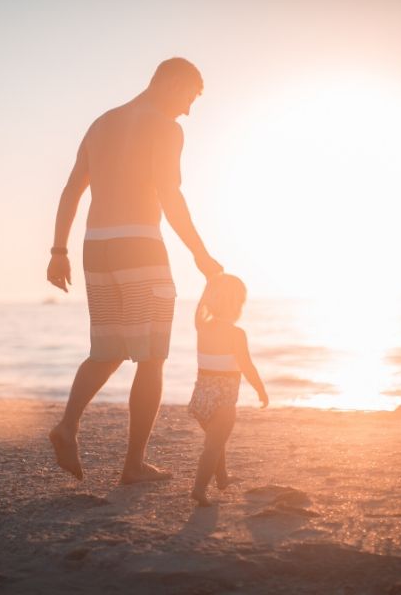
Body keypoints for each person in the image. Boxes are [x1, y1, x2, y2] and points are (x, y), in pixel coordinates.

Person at [46, 58, 222, 484]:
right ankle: (133, 466)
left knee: (107, 352)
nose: (187, 111)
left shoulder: (102, 123)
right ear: (173, 83)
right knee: (152, 357)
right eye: (189, 98)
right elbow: (170, 196)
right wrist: (201, 254)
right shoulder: (165, 127)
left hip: (96, 248)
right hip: (140, 246)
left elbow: (73, 188)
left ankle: (67, 425)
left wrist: (58, 250)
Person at [188, 274, 269, 506]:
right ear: (236, 305)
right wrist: (260, 390)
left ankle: (222, 478)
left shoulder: (202, 326)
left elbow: (200, 307)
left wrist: (208, 284)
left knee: (216, 439)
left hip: (201, 398)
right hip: (223, 399)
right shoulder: (236, 334)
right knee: (213, 446)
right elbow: (247, 366)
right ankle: (199, 488)